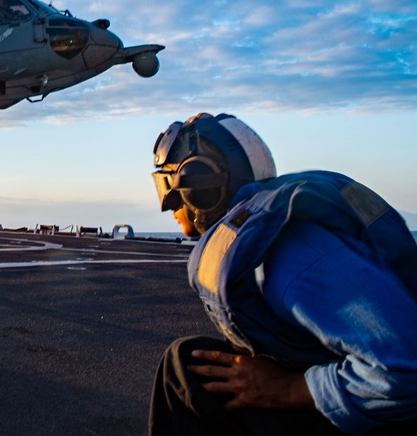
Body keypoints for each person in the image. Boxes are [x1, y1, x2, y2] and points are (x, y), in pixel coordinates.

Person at [148, 112, 417, 435]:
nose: (166, 204)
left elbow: (403, 371)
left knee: (186, 372)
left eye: (168, 182)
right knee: (196, 363)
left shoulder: (291, 252)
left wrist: (286, 389)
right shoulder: (267, 234)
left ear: (197, 181)